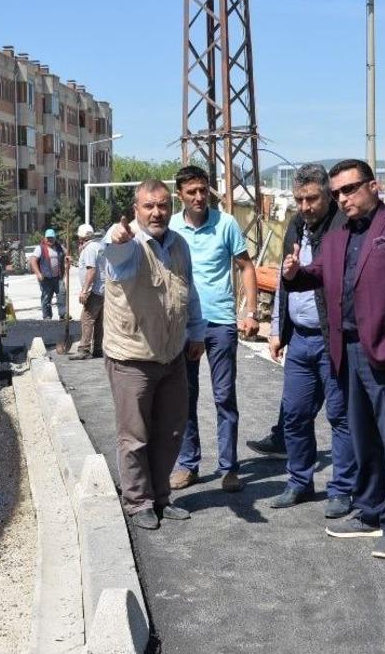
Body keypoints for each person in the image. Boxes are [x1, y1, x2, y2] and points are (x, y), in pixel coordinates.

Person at [282, 159, 385, 559]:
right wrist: (294, 274)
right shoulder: (337, 236)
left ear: (374, 186)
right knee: (363, 438)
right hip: (346, 350)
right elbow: (318, 276)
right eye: (338, 192)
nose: (343, 198)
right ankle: (371, 509)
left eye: (350, 189)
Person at [102, 179, 205, 530]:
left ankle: (161, 496)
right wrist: (116, 237)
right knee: (135, 436)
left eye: (162, 205)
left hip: (172, 355)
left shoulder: (178, 245)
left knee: (172, 431)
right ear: (136, 210)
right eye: (148, 206)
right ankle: (137, 501)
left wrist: (197, 332)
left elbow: (188, 293)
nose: (156, 212)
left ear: (171, 207)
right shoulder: (128, 245)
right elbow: (115, 255)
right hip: (132, 357)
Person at [255, 165, 356, 518]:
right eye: (299, 199)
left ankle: (342, 489)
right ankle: (299, 481)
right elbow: (285, 280)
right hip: (299, 340)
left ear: (327, 195)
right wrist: (277, 328)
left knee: (340, 417)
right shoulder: (296, 226)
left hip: (333, 340)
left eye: (312, 198)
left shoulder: (343, 226)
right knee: (295, 416)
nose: (306, 205)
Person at [167, 165, 259, 494]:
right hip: (182, 324)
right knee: (184, 396)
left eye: (203, 190)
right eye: (191, 191)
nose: (198, 196)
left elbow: (246, 266)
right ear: (180, 194)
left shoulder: (226, 223)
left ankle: (229, 467)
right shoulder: (172, 226)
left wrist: (249, 311)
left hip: (220, 322)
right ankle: (188, 464)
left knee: (224, 396)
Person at [69, 223, 105, 360]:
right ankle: (98, 348)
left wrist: (85, 291)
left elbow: (91, 270)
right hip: (104, 289)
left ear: (82, 237)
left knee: (87, 318)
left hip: (94, 290)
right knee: (99, 321)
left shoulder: (89, 249)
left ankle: (84, 349)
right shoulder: (100, 246)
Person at [29, 228, 67, 320]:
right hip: (45, 278)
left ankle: (63, 314)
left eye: (52, 238)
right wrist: (38, 273)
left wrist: (67, 260)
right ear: (45, 238)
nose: (50, 240)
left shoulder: (59, 247)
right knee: (46, 297)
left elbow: (66, 256)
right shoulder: (40, 248)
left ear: (55, 238)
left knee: (62, 294)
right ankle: (47, 316)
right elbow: (32, 260)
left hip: (58, 277)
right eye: (48, 238)